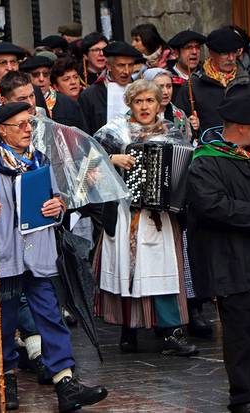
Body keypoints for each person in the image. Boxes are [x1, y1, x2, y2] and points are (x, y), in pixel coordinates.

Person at [0, 102, 108, 411]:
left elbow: (57, 201)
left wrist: (57, 206)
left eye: (30, 123)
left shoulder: (40, 161)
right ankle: (6, 380)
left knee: (51, 317)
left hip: (39, 255)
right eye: (21, 125)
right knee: (3, 323)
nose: (29, 129)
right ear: (2, 130)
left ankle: (66, 383)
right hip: (3, 256)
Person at [92, 79, 199, 357]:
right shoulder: (113, 131)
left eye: (149, 100)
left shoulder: (173, 133)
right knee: (126, 270)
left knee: (162, 271)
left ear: (158, 103)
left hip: (160, 218)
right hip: (126, 213)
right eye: (138, 101)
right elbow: (86, 162)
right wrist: (112, 158)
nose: (144, 106)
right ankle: (129, 330)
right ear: (130, 103)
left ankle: (170, 331)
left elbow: (185, 168)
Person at [186, 94, 250, 413]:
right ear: (243, 127)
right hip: (229, 260)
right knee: (240, 329)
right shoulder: (205, 160)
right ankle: (244, 396)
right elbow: (213, 205)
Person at [174, 28, 250, 138]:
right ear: (211, 52)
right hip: (208, 151)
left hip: (245, 152)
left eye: (234, 52)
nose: (231, 58)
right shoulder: (192, 86)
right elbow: (179, 128)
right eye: (225, 53)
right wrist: (191, 126)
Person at [79, 41, 141, 134]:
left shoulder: (141, 91)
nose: (127, 71)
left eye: (131, 65)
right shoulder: (90, 96)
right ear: (108, 66)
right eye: (121, 65)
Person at [19, 56, 87, 130]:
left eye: (45, 74)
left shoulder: (68, 103)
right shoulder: (20, 102)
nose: (41, 79)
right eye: (36, 75)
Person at [142, 68, 198, 142]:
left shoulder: (180, 115)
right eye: (160, 87)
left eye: (169, 86)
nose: (166, 92)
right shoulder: (136, 113)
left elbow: (187, 145)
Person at [166, 30, 206, 98]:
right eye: (188, 47)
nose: (194, 52)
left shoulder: (207, 76)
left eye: (197, 47)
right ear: (176, 53)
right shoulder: (167, 79)